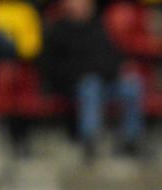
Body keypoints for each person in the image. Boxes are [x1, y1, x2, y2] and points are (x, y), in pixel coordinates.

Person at [38, 0, 144, 159]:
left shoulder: (98, 27)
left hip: (106, 80)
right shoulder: (57, 31)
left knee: (132, 86)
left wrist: (117, 70)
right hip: (74, 86)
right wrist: (83, 74)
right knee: (90, 85)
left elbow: (113, 57)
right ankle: (90, 142)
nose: (82, 6)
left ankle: (130, 140)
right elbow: (52, 67)